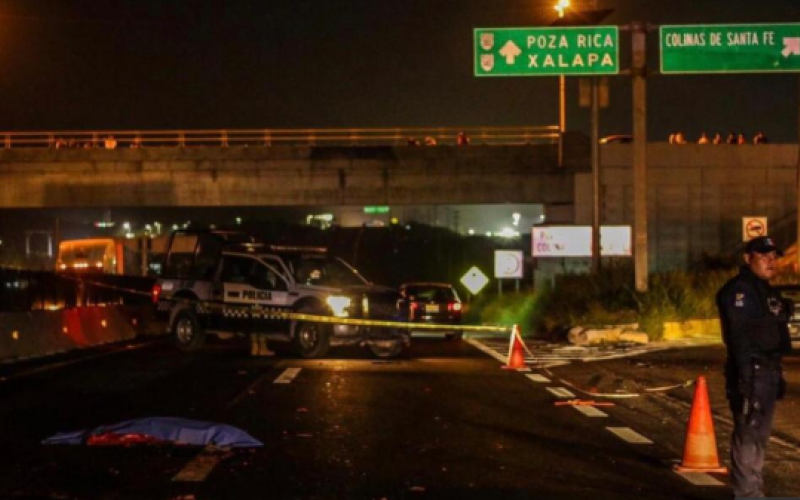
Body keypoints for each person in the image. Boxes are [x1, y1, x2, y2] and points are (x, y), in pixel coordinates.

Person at [716, 236, 791, 498]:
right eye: (763, 255)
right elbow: (740, 337)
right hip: (752, 369)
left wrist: (777, 374)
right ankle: (747, 494)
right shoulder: (740, 290)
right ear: (748, 259)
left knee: (759, 436)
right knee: (748, 434)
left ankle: (753, 490)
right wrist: (746, 377)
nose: (771, 261)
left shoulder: (767, 291)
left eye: (773, 256)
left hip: (768, 370)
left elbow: (773, 333)